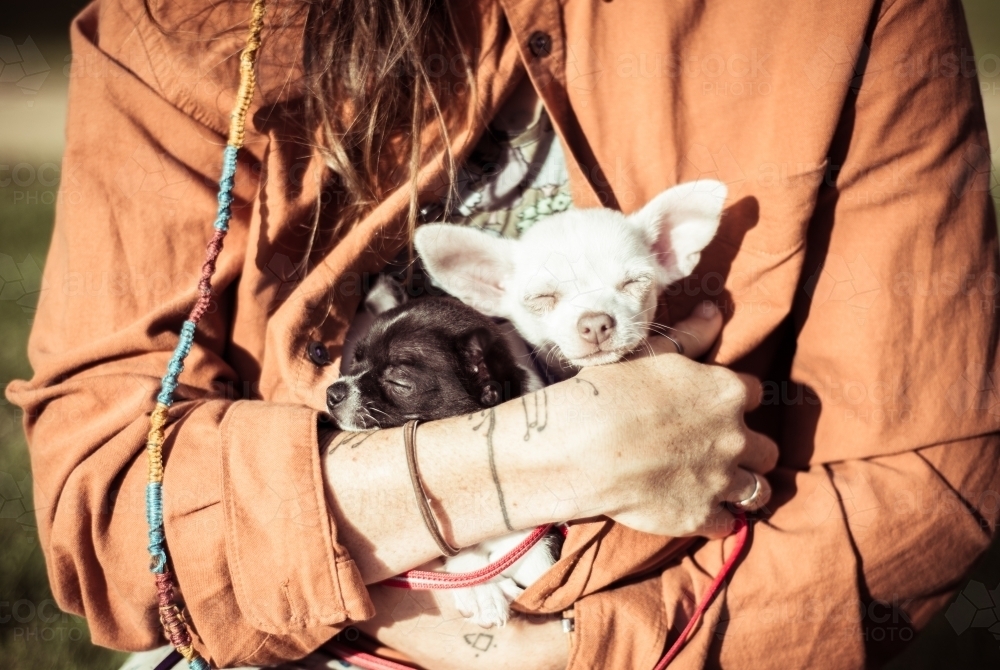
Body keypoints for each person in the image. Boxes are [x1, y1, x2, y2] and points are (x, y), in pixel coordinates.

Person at [7, 0, 999, 668]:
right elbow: (105, 513)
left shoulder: (825, 20)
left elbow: (924, 483)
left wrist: (570, 648)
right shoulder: (194, 27)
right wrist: (557, 459)